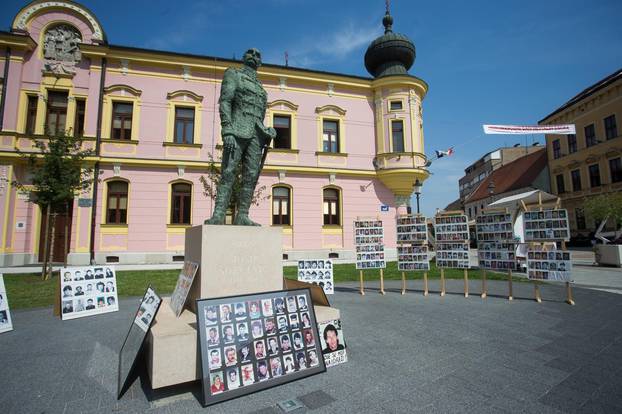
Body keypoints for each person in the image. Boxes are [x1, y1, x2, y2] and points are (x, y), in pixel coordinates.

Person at [204, 48, 276, 225]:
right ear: (244, 58)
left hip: (256, 137)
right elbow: (226, 101)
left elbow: (258, 115)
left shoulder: (262, 90)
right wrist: (227, 130)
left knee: (251, 176)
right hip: (236, 131)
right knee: (228, 172)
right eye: (250, 53)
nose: (254, 55)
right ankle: (219, 214)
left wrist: (268, 130)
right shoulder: (233, 74)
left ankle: (243, 214)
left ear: (260, 63)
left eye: (258, 55)